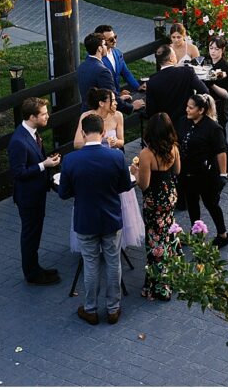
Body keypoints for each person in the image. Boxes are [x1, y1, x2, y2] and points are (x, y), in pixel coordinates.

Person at [58, 114, 131, 326]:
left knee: (90, 265)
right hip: (110, 217)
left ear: (83, 132)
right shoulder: (116, 157)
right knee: (113, 262)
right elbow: (125, 185)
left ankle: (90, 309)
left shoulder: (71, 160)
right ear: (102, 133)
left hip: (86, 219)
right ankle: (113, 309)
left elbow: (63, 193)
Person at [72, 88, 144, 253]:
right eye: (112, 100)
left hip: (113, 162)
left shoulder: (118, 116)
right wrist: (100, 140)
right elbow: (76, 144)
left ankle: (117, 239)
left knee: (118, 200)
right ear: (101, 103)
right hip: (91, 162)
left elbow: (122, 141)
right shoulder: (86, 117)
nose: (116, 103)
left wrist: (114, 142)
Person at [7, 97, 61, 285]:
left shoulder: (33, 133)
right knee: (30, 234)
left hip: (36, 194)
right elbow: (18, 172)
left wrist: (47, 162)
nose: (47, 116)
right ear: (32, 117)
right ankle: (31, 273)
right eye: (44, 114)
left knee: (35, 233)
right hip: (28, 197)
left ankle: (36, 268)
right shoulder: (19, 141)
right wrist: (43, 165)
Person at [132, 113, 181, 301]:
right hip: (170, 197)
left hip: (155, 202)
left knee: (155, 242)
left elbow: (143, 184)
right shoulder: (174, 148)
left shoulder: (147, 154)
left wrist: (135, 171)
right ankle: (173, 276)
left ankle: (159, 286)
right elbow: (177, 171)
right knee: (168, 237)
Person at [177, 93, 228, 248]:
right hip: (188, 173)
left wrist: (223, 174)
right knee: (192, 203)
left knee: (211, 204)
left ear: (201, 110)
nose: (187, 110)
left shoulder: (213, 128)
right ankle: (196, 232)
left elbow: (221, 151)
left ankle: (223, 234)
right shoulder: (184, 122)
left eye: (190, 107)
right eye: (187, 106)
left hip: (207, 174)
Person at [145, 43, 208, 129]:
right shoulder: (187, 72)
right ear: (171, 58)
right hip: (187, 121)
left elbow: (150, 111)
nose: (176, 56)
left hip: (165, 127)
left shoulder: (152, 81)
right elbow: (204, 91)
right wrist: (193, 106)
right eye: (174, 54)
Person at [78, 32, 143, 115]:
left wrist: (119, 98)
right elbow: (112, 96)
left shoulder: (81, 67)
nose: (106, 47)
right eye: (104, 44)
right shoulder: (103, 71)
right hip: (101, 116)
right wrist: (132, 107)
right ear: (99, 49)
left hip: (86, 113)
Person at [205, 36, 228, 178]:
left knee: (221, 140)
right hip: (206, 106)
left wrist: (212, 84)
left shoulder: (227, 69)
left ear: (222, 50)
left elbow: (226, 94)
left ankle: (227, 172)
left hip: (219, 107)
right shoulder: (206, 64)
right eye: (211, 48)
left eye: (216, 49)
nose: (213, 52)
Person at [96, 24, 145, 96]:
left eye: (115, 37)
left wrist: (138, 87)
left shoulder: (117, 53)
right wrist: (118, 95)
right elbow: (101, 84)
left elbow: (126, 73)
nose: (115, 41)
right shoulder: (97, 57)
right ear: (101, 41)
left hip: (116, 98)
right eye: (111, 39)